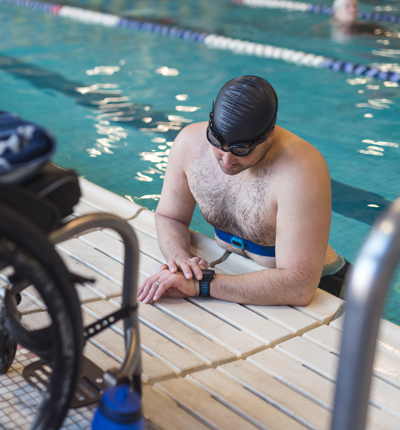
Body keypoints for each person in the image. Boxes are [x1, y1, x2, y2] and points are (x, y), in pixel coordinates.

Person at [138, 75, 350, 306]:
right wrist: (181, 261)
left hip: (323, 288)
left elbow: (299, 286)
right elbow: (170, 216)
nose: (227, 161)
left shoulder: (301, 169)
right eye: (217, 142)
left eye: (242, 150)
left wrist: (202, 284)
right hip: (235, 268)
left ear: (268, 134)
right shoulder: (189, 144)